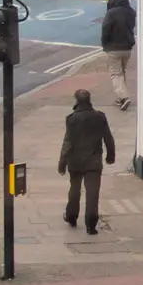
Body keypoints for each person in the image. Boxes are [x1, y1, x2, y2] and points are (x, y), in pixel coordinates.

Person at [58, 88, 116, 235]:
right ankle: (91, 225)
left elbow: (68, 143)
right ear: (89, 100)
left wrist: (62, 162)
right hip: (94, 162)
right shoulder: (100, 117)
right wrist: (110, 156)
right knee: (92, 194)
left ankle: (71, 216)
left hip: (75, 161)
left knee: (75, 190)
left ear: (76, 100)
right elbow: (108, 138)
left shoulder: (71, 119)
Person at [101, 0, 136, 110]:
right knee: (122, 72)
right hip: (127, 48)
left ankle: (124, 97)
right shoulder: (131, 12)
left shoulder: (111, 13)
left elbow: (105, 29)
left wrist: (104, 44)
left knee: (116, 73)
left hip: (114, 47)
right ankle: (120, 96)